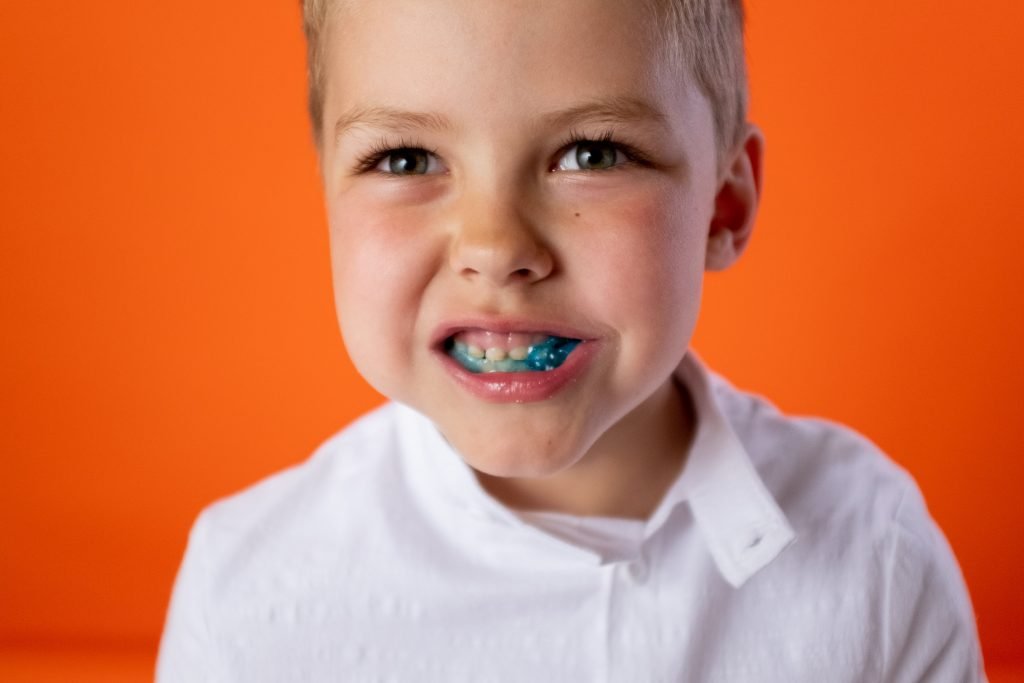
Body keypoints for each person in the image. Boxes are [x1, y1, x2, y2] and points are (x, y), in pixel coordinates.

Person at [157, 0, 983, 680]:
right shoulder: (249, 596)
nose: (494, 245)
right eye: (406, 159)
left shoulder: (874, 556)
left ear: (723, 206)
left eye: (592, 153)